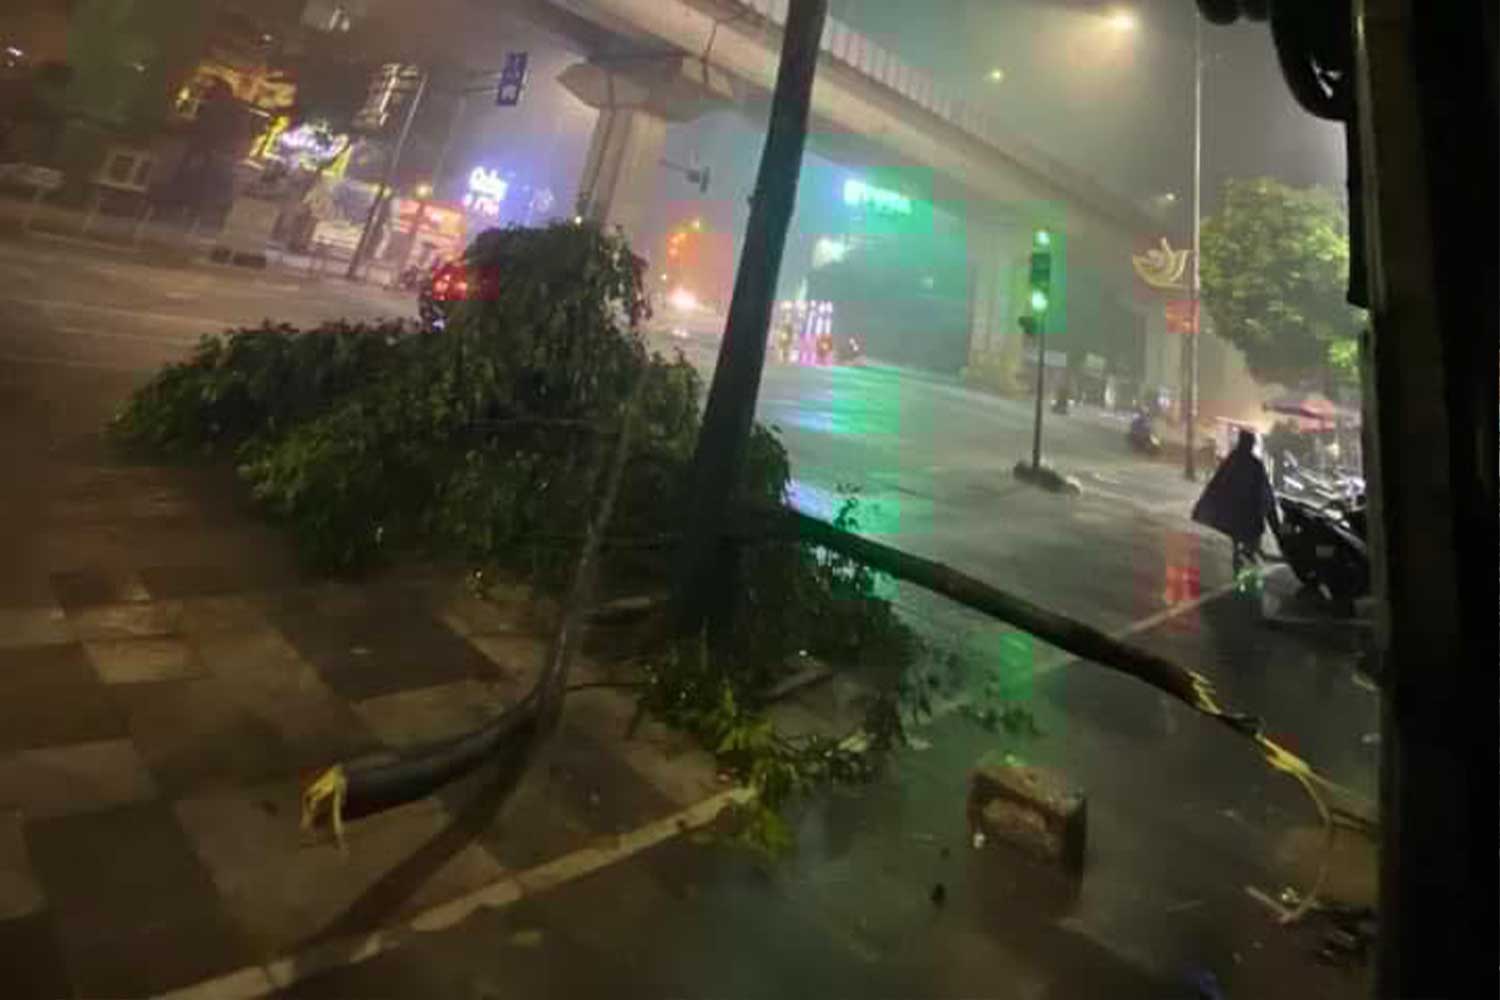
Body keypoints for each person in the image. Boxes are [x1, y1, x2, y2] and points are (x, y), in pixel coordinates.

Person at [1191, 428, 1282, 578]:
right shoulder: (1254, 464)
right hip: (1248, 516)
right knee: (1248, 544)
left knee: (1238, 542)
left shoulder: (1233, 460)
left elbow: (1217, 483)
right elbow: (1264, 491)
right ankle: (1247, 568)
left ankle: (1241, 566)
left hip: (1235, 515)